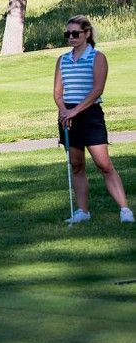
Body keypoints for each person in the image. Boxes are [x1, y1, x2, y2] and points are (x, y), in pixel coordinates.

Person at [54, 15, 133, 224]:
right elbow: (57, 93)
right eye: (67, 34)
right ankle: (83, 211)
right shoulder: (62, 59)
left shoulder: (97, 57)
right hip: (68, 115)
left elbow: (97, 89)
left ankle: (125, 210)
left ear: (87, 34)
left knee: (104, 164)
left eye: (75, 33)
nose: (71, 37)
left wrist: (75, 111)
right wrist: (64, 111)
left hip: (89, 114)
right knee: (77, 165)